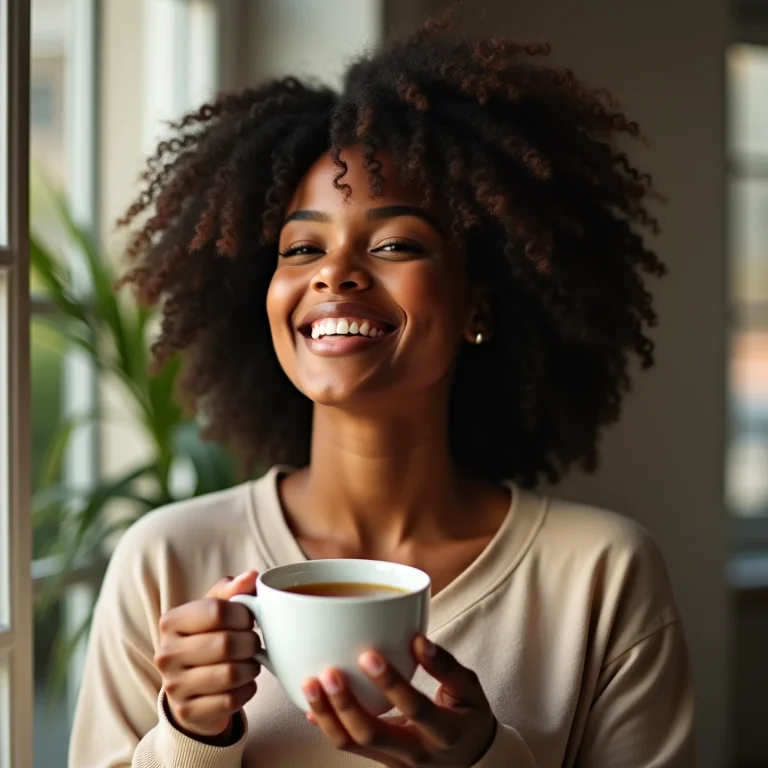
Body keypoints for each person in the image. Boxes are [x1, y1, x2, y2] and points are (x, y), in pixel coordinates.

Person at [69, 14, 697, 768]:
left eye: (396, 243)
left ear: (480, 307)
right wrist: (192, 738)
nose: (333, 274)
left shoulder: (602, 575)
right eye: (301, 248)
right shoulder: (166, 561)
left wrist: (485, 760)